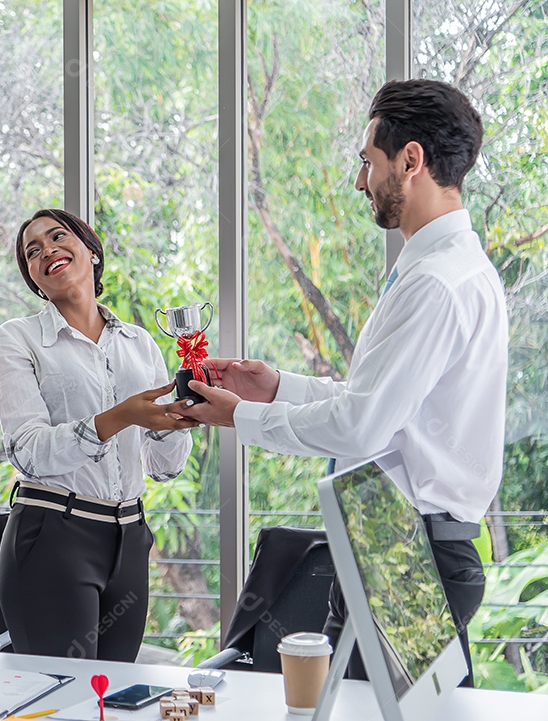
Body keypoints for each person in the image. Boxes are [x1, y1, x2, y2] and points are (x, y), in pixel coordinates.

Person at [175, 79, 506, 684]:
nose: (359, 182)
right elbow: (380, 411)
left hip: (408, 555)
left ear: (411, 161)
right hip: (396, 547)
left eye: (367, 161)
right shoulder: (448, 272)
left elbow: (360, 427)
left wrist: (235, 417)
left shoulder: (435, 283)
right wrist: (275, 387)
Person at [0, 208, 196, 661]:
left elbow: (165, 468)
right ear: (34, 279)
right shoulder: (18, 339)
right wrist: (120, 416)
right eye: (32, 251)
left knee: (111, 694)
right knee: (63, 701)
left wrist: (176, 422)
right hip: (52, 537)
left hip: (129, 536)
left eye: (58, 236)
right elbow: (28, 453)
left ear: (91, 250)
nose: (47, 250)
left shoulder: (140, 343)